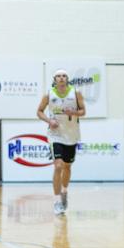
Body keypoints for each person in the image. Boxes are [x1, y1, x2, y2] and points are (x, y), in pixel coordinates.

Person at [37, 69, 85, 215]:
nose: (61, 78)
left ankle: (64, 191)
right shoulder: (48, 94)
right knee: (58, 165)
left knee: (67, 167)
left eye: (64, 75)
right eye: (58, 76)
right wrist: (49, 120)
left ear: (67, 79)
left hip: (71, 135)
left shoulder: (76, 93)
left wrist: (74, 113)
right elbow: (39, 111)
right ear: (55, 79)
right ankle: (57, 200)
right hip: (55, 134)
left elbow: (83, 111)